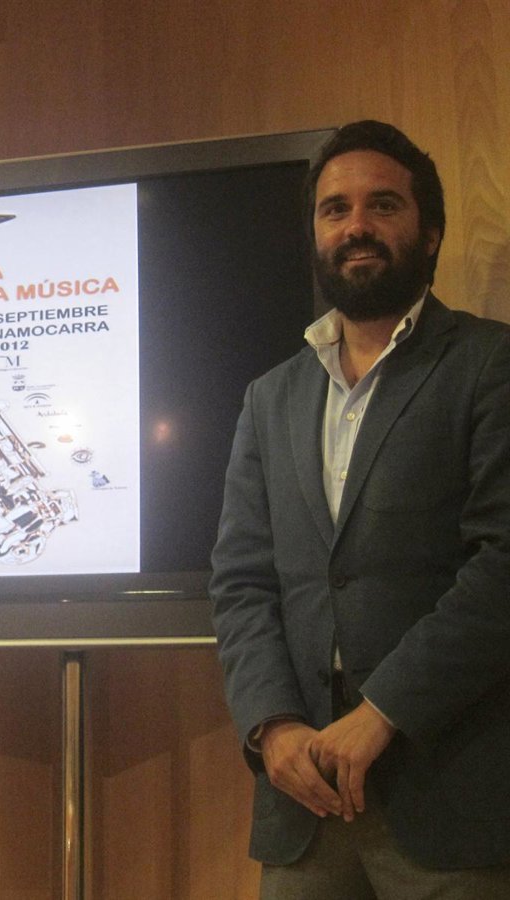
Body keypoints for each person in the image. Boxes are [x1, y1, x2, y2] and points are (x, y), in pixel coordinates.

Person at [210, 120, 510, 897]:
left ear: (430, 231)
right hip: (303, 793)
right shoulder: (269, 397)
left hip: (448, 790)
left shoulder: (490, 364)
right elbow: (242, 581)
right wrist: (272, 725)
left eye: (383, 205)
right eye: (334, 209)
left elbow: (503, 565)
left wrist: (382, 713)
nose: (356, 226)